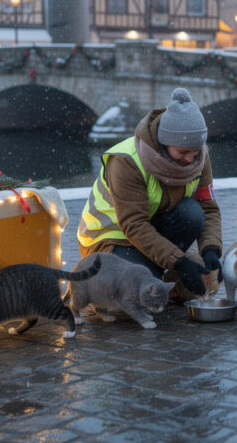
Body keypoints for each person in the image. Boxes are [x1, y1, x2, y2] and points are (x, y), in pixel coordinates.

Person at [77, 88, 221, 297]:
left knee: (192, 213)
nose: (190, 159)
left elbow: (208, 208)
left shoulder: (199, 157)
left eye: (196, 151)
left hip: (150, 230)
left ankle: (159, 269)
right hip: (109, 238)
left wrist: (211, 250)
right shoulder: (126, 161)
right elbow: (133, 225)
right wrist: (179, 262)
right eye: (183, 152)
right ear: (164, 143)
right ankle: (152, 271)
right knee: (138, 294)